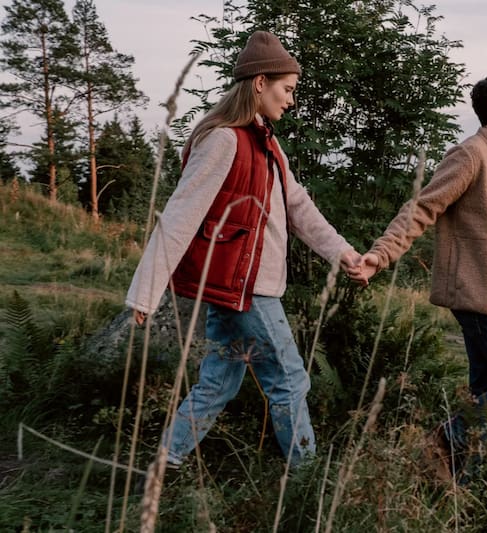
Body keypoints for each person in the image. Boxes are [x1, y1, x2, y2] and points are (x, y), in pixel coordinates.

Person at [126, 30, 362, 468]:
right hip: (247, 290)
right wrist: (146, 290)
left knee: (219, 382)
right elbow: (179, 215)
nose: (291, 100)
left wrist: (344, 253)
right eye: (286, 89)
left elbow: (298, 207)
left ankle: (164, 464)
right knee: (289, 380)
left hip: (240, 290)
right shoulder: (224, 140)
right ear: (259, 83)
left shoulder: (266, 144)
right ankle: (306, 480)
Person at [356, 72, 487, 478]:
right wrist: (382, 254)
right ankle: (446, 440)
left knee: (484, 394)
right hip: (478, 297)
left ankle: (458, 484)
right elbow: (421, 209)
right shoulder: (470, 156)